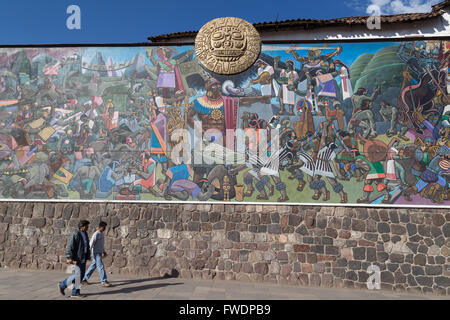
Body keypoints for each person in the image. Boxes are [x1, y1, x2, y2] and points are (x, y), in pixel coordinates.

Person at [58, 220, 91, 298]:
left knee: (81, 275)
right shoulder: (76, 234)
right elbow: (70, 246)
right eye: (86, 226)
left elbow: (86, 245)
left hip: (83, 257)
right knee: (77, 275)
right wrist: (69, 257)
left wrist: (88, 255)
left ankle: (73, 291)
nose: (88, 227)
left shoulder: (85, 233)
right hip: (77, 258)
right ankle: (64, 285)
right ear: (82, 226)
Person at [82, 221, 112, 287]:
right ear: (101, 227)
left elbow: (101, 244)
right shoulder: (96, 234)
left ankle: (84, 279)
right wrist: (88, 253)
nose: (105, 229)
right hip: (96, 253)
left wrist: (103, 251)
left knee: (92, 266)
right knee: (100, 267)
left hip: (99, 252)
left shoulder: (101, 234)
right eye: (104, 227)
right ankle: (104, 281)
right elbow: (90, 244)